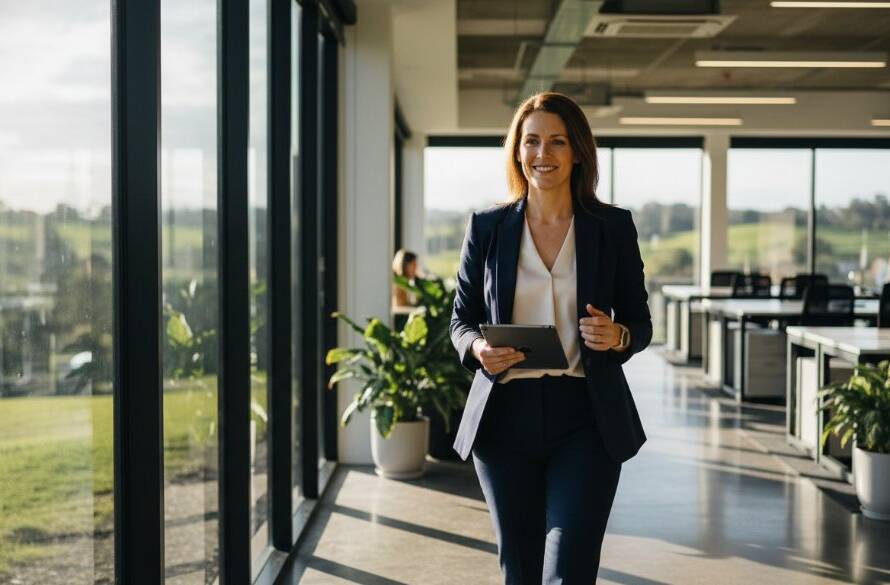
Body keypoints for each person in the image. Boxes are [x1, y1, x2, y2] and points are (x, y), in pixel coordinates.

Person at [449, 92, 651, 584]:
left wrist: (617, 334)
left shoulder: (612, 228)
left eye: (557, 141)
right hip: (504, 419)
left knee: (570, 567)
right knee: (518, 569)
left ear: (578, 150)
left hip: (587, 418)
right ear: (517, 151)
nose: (544, 154)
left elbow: (640, 324)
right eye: (532, 141)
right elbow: (460, 321)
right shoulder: (487, 228)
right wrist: (478, 348)